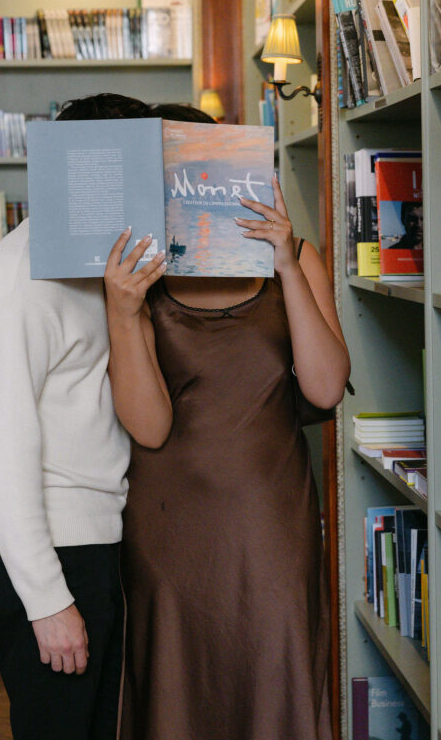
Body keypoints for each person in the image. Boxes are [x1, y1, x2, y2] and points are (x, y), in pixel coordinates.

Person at [104, 102, 350, 740]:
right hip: (167, 529)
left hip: (271, 523)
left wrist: (287, 265)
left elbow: (325, 391)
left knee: (277, 673)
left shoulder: (295, 257)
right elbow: (149, 428)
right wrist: (124, 313)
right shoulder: (139, 278)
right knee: (176, 690)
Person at [0, 93, 159, 740]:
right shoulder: (15, 283)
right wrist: (48, 602)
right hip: (47, 546)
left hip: (90, 537)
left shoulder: (99, 266)